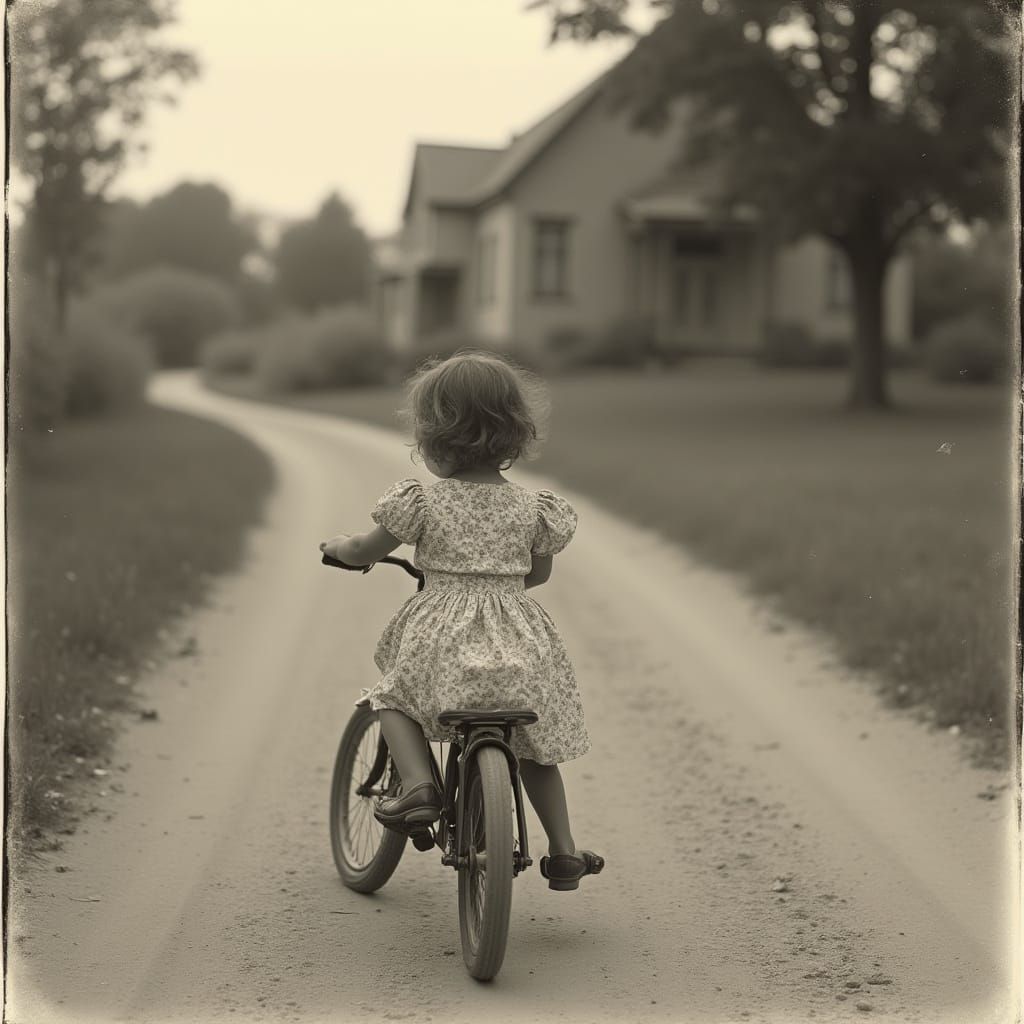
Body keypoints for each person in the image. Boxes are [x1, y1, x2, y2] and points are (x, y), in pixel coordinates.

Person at [320, 350, 602, 891]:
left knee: (393, 698)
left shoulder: (422, 504)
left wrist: (339, 548)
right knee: (533, 747)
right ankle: (564, 852)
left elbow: (363, 549)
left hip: (440, 643)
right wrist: (494, 581)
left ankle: (421, 787)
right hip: (520, 646)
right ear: (515, 433)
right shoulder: (535, 509)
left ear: (432, 435)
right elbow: (534, 577)